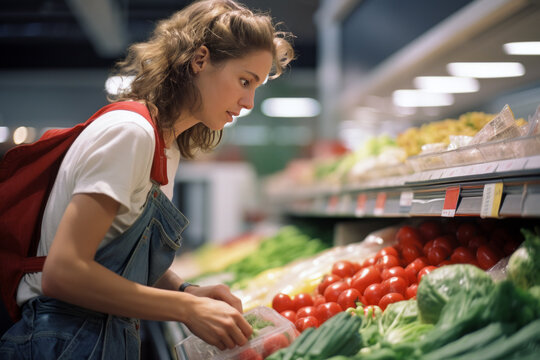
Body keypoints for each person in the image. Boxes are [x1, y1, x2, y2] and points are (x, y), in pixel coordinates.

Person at [0, 0, 295, 358]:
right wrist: (186, 310)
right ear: (200, 60)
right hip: (61, 340)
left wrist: (185, 292)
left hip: (97, 335)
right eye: (244, 81)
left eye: (256, 87)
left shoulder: (165, 145)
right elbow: (64, 273)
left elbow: (116, 255)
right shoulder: (131, 132)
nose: (248, 102)